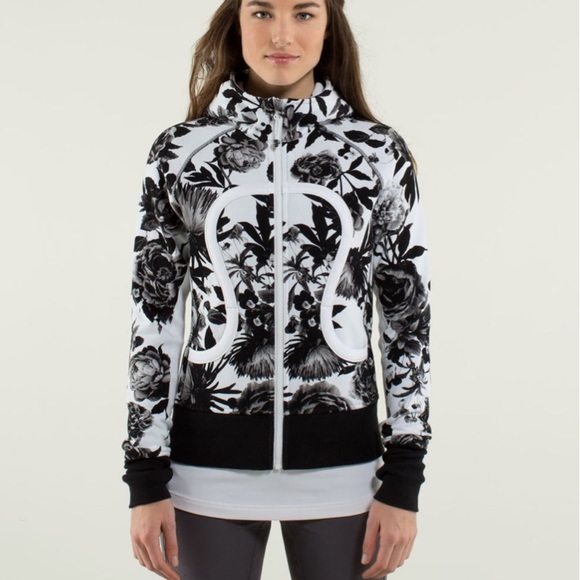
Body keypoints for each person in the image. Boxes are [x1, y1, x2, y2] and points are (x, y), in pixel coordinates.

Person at [121, 0, 433, 578]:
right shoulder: (182, 151)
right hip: (205, 464)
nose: (282, 34)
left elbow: (406, 319)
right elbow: (154, 313)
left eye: (304, 13)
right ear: (235, 22)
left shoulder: (376, 152)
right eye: (262, 12)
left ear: (330, 24)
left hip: (346, 466)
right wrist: (145, 473)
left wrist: (404, 476)